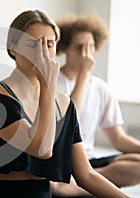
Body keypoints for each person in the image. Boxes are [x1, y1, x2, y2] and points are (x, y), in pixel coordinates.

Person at [0, 10, 128, 198]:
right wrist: (48, 85)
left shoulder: (65, 104)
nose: (42, 51)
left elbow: (86, 175)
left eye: (49, 44)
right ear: (12, 48)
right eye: (32, 44)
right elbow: (41, 149)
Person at [50, 14, 140, 196]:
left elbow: (118, 138)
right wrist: (83, 74)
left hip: (89, 162)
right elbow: (67, 122)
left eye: (90, 47)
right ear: (65, 48)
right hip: (62, 160)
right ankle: (83, 180)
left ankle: (87, 180)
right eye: (80, 47)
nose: (86, 53)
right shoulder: (53, 81)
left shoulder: (101, 88)